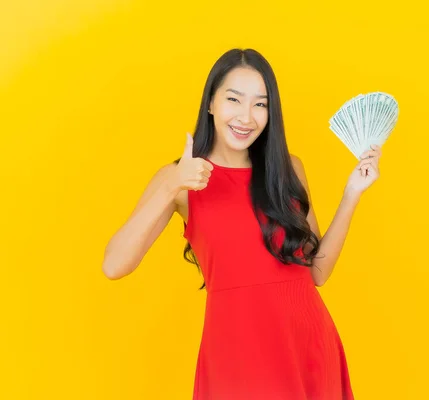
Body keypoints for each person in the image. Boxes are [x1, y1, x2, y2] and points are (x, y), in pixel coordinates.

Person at [102, 48, 382, 400]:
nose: (246, 116)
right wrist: (173, 184)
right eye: (234, 99)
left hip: (308, 345)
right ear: (211, 103)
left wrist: (352, 193)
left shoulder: (288, 170)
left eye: (260, 104)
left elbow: (317, 274)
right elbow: (114, 265)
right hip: (236, 355)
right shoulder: (178, 180)